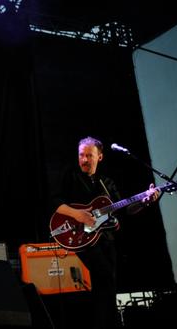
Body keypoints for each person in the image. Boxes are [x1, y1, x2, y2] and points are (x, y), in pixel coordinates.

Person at [50, 136, 158, 329]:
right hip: (80, 236)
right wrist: (78, 214)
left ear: (100, 157)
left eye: (89, 155)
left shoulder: (106, 183)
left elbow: (125, 209)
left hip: (105, 239)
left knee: (108, 285)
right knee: (105, 277)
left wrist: (145, 201)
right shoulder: (70, 176)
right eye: (81, 155)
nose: (84, 159)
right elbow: (54, 202)